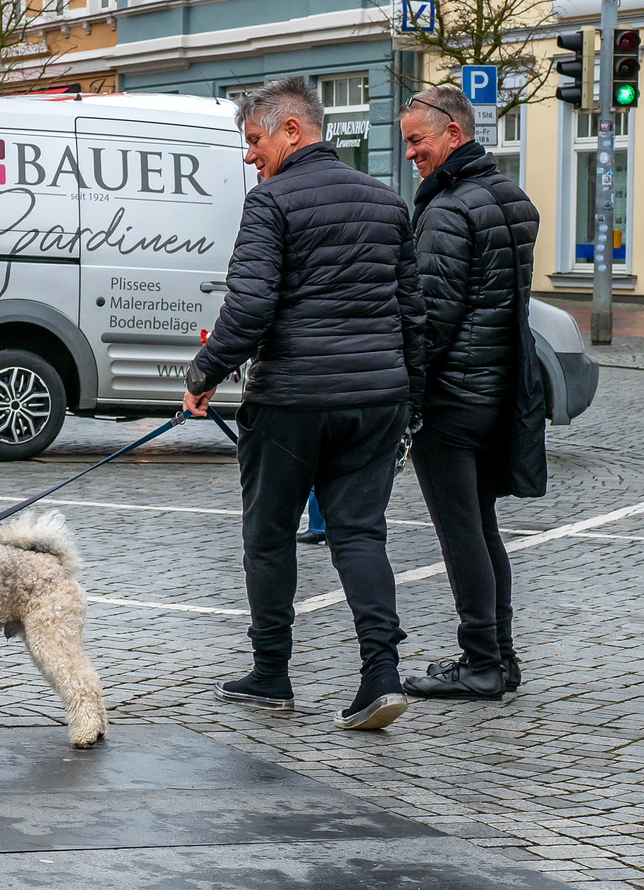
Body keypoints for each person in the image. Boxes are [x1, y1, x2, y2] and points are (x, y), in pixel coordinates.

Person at [184, 76, 426, 731]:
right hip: (377, 399)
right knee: (360, 533)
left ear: (293, 129)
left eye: (255, 139)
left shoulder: (272, 203)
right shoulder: (386, 201)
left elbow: (252, 304)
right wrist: (413, 400)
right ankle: (381, 674)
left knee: (268, 536)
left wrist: (204, 372)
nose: (249, 155)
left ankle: (271, 673)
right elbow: (413, 311)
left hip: (293, 399)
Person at [397, 86, 540, 701]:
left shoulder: (449, 210)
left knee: (464, 534)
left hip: (453, 399)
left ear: (453, 133)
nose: (411, 153)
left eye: (417, 140)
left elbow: (431, 315)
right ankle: (500, 657)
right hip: (498, 391)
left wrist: (409, 395)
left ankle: (481, 661)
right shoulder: (513, 197)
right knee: (482, 529)